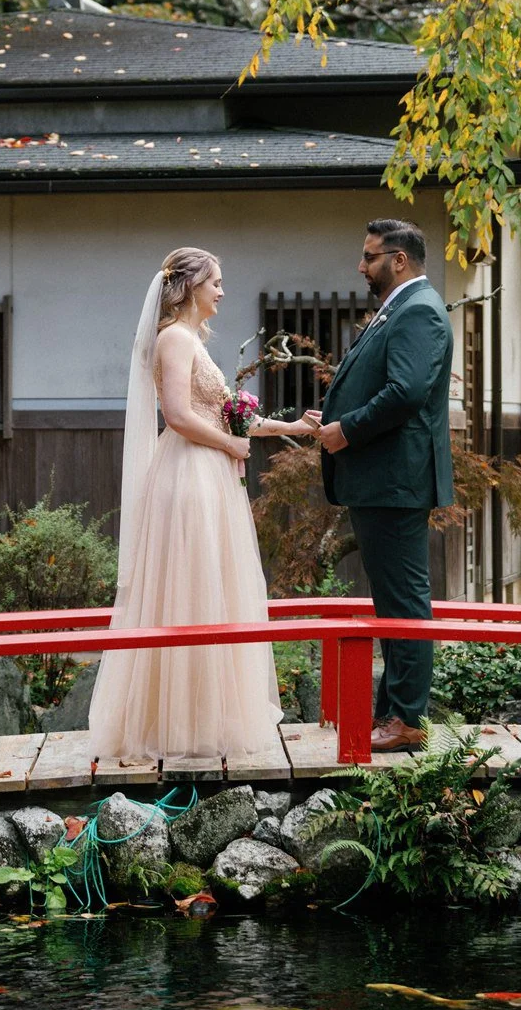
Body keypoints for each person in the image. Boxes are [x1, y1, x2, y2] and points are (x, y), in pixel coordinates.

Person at [88, 247, 317, 761]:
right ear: (190, 286)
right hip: (187, 475)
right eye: (216, 282)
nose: (221, 291)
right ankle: (172, 723)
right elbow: (177, 416)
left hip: (209, 473)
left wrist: (293, 427)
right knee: (188, 589)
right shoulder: (173, 338)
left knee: (212, 588)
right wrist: (231, 446)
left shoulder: (193, 341)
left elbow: (226, 418)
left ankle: (203, 717)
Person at [306, 219, 453, 752]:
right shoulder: (399, 308)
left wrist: (348, 428)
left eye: (369, 257)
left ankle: (408, 718)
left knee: (405, 601)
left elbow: (407, 390)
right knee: (392, 600)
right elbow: (384, 384)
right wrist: (331, 414)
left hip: (396, 480)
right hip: (383, 479)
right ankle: (394, 712)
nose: (360, 266)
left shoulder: (418, 310)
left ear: (399, 260)